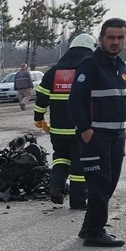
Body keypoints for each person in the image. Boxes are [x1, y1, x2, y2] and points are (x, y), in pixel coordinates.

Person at [68, 17, 126, 248]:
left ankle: (89, 227)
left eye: (120, 37)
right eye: (111, 37)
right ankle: (95, 232)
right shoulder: (90, 64)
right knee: (99, 184)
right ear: (101, 38)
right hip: (97, 137)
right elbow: (74, 101)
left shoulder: (119, 64)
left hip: (117, 136)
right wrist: (84, 130)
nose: (115, 42)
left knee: (110, 184)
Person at [33, 33, 96, 209]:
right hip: (80, 129)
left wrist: (39, 118)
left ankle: (55, 186)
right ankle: (78, 202)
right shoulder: (88, 69)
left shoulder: (54, 71)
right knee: (79, 165)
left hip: (58, 130)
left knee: (61, 158)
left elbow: (42, 98)